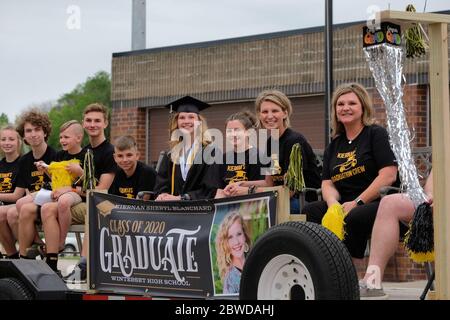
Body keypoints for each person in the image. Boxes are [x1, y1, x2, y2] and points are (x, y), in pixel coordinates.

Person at [302, 82, 398, 260]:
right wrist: (332, 204)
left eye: (352, 103)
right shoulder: (334, 145)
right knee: (310, 210)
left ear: (363, 107)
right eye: (340, 104)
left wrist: (357, 202)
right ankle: (323, 265)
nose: (345, 108)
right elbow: (327, 183)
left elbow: (388, 175)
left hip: (377, 202)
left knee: (353, 217)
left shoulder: (376, 134)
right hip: (344, 204)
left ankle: (347, 270)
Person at [63, 103, 118, 283]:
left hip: (111, 203)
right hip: (87, 201)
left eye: (97, 120)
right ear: (83, 123)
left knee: (93, 210)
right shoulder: (85, 151)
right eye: (88, 120)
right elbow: (79, 188)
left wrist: (82, 174)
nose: (92, 124)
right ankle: (47, 258)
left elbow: (101, 191)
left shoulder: (110, 152)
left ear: (105, 124)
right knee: (51, 208)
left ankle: (84, 266)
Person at [242, 89, 321, 213]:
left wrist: (249, 191)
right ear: (259, 115)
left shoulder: (295, 141)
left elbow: (290, 189)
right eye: (265, 111)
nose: (269, 116)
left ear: (285, 113)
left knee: (253, 210)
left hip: (302, 200)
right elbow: (269, 183)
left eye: (275, 111)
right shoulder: (269, 143)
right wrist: (241, 185)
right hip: (281, 196)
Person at [359, 170, 433, 299]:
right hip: (439, 203)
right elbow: (436, 175)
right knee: (389, 203)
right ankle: (372, 280)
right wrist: (431, 196)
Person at [6, 108, 57, 259]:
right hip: (34, 200)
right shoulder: (24, 161)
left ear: (45, 132)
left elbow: (58, 186)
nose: (33, 134)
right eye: (28, 131)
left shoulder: (55, 155)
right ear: (24, 136)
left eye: (37, 129)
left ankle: (25, 256)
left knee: (21, 206)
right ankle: (34, 246)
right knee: (10, 213)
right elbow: (24, 189)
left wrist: (32, 196)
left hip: (52, 199)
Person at [36, 120, 86, 272]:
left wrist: (79, 172)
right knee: (44, 207)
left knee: (64, 201)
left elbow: (89, 183)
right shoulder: (59, 155)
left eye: (66, 137)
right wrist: (45, 170)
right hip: (61, 190)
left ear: (78, 138)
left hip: (78, 192)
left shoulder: (86, 155)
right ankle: (49, 259)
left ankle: (61, 241)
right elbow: (56, 179)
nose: (62, 140)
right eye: (61, 137)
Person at [154, 95, 216, 201]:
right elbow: (161, 184)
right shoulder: (170, 155)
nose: (186, 121)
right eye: (182, 117)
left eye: (191, 117)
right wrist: (162, 195)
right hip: (172, 210)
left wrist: (181, 198)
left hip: (199, 211)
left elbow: (211, 188)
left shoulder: (209, 152)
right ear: (177, 123)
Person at [210, 111, 265, 198]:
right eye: (229, 131)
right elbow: (218, 190)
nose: (233, 134)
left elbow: (261, 190)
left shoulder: (258, 157)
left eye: (237, 130)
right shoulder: (223, 159)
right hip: (226, 206)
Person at [0, 125, 25, 259]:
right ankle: (12, 257)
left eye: (11, 139)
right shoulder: (0, 165)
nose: (7, 143)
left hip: (19, 206)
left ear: (18, 142)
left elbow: (17, 195)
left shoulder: (24, 163)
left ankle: (17, 254)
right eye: (3, 139)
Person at [215, 210, 251, 294]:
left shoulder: (255, 259)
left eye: (239, 234)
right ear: (225, 243)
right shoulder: (230, 280)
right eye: (230, 237)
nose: (236, 242)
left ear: (244, 235)